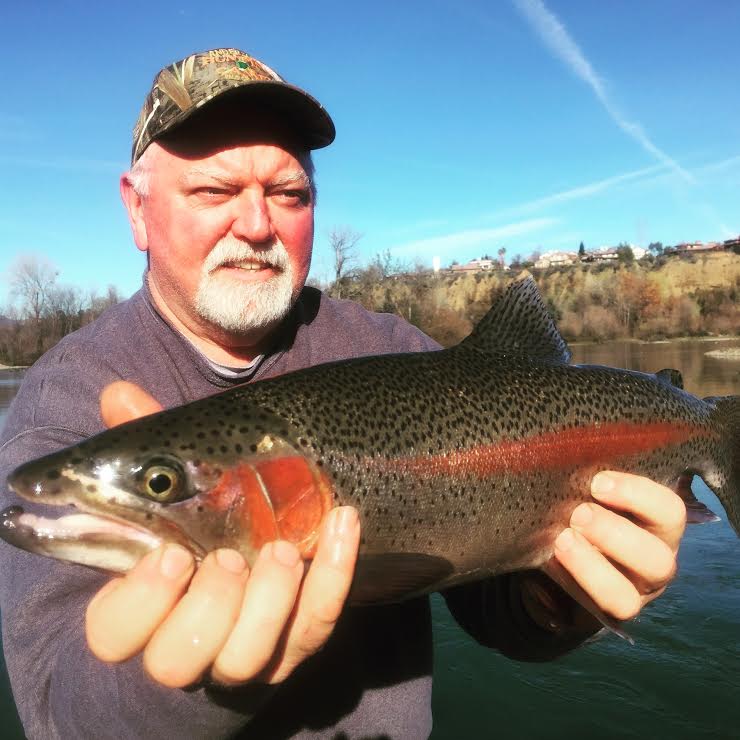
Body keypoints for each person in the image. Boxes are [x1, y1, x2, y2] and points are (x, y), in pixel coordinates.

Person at [0, 47, 686, 739]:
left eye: (289, 194)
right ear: (137, 208)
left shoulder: (391, 346)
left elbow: (496, 609)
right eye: (213, 191)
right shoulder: (65, 399)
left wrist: (562, 597)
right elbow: (58, 708)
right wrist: (186, 687)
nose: (258, 224)